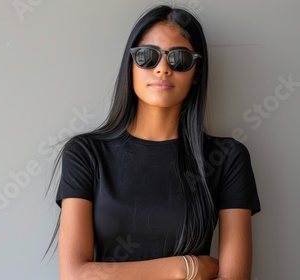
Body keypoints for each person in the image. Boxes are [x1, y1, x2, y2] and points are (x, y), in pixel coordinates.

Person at [49, 4, 261, 280]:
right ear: (131, 66)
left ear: (196, 73)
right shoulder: (85, 153)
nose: (162, 69)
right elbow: (75, 275)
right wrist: (184, 267)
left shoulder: (227, 157)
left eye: (179, 58)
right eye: (147, 57)